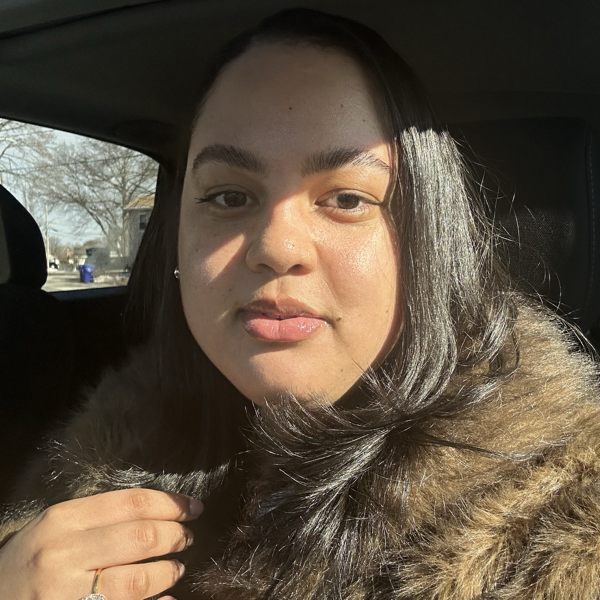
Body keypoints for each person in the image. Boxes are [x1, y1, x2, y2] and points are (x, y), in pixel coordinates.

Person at [2, 8, 600, 600]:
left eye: (347, 198)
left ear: (427, 244)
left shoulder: (568, 525)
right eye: (229, 196)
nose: (276, 248)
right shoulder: (81, 484)